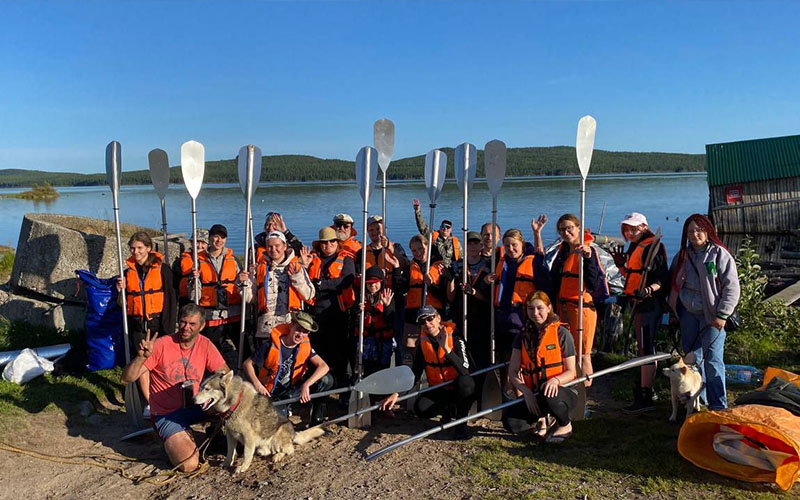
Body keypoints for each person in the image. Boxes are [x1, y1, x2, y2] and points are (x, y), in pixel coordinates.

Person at [121, 303, 228, 472]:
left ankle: (212, 433)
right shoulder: (162, 345)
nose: (186, 328)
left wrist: (224, 398)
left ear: (202, 326)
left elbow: (225, 373)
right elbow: (126, 378)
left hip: (196, 405)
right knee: (189, 464)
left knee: (232, 407)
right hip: (167, 414)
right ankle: (176, 440)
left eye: (192, 324)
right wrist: (140, 358)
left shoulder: (205, 344)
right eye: (183, 322)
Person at [668, 214, 740, 410]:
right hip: (687, 315)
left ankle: (718, 405)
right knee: (692, 360)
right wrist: (674, 311)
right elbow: (673, 283)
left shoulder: (719, 254)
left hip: (713, 317)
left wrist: (723, 314)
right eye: (690, 231)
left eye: (699, 230)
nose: (695, 234)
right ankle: (699, 401)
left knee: (714, 360)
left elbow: (732, 288)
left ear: (708, 232)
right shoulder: (682, 256)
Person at [378, 306, 475, 440]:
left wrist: (446, 349)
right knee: (421, 408)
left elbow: (465, 369)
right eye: (423, 322)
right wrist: (397, 394)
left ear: (438, 318)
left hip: (458, 386)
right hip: (440, 389)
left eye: (430, 318)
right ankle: (447, 410)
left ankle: (461, 423)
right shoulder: (423, 342)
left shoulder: (455, 336)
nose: (427, 324)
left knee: (467, 383)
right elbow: (415, 374)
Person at [609, 212, 670, 413]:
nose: (630, 231)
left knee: (646, 348)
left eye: (634, 228)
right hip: (638, 302)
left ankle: (646, 396)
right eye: (627, 228)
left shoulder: (654, 247)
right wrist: (619, 264)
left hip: (649, 304)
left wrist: (648, 290)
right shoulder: (636, 246)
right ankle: (643, 391)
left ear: (644, 227)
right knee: (643, 348)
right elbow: (634, 276)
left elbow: (662, 279)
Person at [543, 214, 609, 386]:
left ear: (578, 228)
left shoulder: (588, 251)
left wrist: (588, 259)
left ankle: (585, 394)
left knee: (583, 354)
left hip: (582, 308)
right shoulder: (562, 252)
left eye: (569, 228)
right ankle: (572, 389)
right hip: (563, 307)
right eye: (562, 229)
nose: (566, 232)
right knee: (567, 352)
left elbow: (594, 283)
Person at [502, 292, 577, 443]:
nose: (535, 313)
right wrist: (526, 392)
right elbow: (513, 372)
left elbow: (571, 372)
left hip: (562, 392)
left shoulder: (561, 333)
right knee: (511, 422)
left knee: (549, 395)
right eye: (530, 309)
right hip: (535, 394)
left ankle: (565, 425)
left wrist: (555, 380)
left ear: (549, 308)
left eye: (539, 308)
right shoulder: (522, 336)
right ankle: (542, 420)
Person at [242, 311, 333, 426]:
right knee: (277, 422)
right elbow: (247, 364)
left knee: (326, 381)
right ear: (291, 326)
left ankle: (316, 419)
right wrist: (258, 385)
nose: (301, 335)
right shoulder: (270, 345)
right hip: (271, 393)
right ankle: (284, 410)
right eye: (298, 329)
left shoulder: (304, 346)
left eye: (305, 332)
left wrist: (307, 385)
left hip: (293, 389)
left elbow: (324, 366)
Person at [485, 229, 549, 365]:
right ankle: (506, 384)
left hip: (522, 317)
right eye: (507, 246)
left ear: (522, 244)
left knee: (524, 355)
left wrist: (537, 233)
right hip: (503, 317)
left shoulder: (533, 262)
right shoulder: (501, 262)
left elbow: (544, 281)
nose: (511, 249)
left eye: (514, 245)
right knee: (504, 357)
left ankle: (523, 382)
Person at [241, 231, 315, 345]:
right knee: (267, 360)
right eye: (270, 246)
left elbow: (309, 294)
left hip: (291, 326)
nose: (273, 249)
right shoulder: (259, 269)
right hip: (266, 328)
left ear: (285, 246)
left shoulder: (296, 268)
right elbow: (251, 298)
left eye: (277, 246)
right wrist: (243, 284)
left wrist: (296, 277)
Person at [306, 227, 356, 389]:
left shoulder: (346, 260)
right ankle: (319, 385)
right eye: (324, 242)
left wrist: (321, 285)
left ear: (337, 242)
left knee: (339, 351)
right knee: (317, 351)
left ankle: (342, 387)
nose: (328, 245)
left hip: (338, 313)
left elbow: (346, 281)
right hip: (316, 313)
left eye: (332, 241)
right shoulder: (311, 259)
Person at [189, 224, 242, 366]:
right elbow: (193, 294)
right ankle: (215, 378)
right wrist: (193, 281)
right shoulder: (198, 261)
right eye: (216, 237)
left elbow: (241, 285)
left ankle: (244, 375)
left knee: (242, 349)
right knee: (213, 351)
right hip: (211, 314)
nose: (219, 240)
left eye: (222, 237)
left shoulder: (234, 260)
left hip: (233, 313)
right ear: (210, 238)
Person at [117, 231, 177, 351]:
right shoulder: (127, 273)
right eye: (132, 248)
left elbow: (171, 299)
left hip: (157, 323)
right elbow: (121, 304)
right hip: (137, 325)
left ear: (148, 248)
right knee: (140, 358)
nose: (136, 252)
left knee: (159, 357)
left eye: (140, 248)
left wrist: (168, 328)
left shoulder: (163, 270)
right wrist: (120, 291)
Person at [445, 231, 493, 369]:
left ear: (481, 245)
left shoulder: (489, 266)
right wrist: (450, 280)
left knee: (481, 355)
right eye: (469, 243)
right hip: (461, 315)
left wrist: (473, 292)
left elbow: (489, 300)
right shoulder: (456, 266)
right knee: (463, 353)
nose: (472, 246)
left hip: (481, 318)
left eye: (476, 243)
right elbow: (451, 297)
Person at [397, 234, 446, 365]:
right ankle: (415, 370)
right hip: (413, 311)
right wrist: (397, 271)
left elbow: (445, 295)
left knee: (432, 344)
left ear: (427, 247)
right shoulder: (409, 267)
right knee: (410, 344)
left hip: (432, 312)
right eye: (414, 250)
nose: (418, 253)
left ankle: (433, 366)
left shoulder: (438, 266)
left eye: (420, 248)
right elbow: (402, 288)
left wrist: (432, 285)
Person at [357, 266, 396, 376]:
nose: (373, 286)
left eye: (376, 282)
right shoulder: (361, 298)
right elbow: (354, 321)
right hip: (367, 340)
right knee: (369, 369)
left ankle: (383, 392)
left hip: (383, 340)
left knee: (383, 368)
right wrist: (358, 311)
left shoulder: (387, 297)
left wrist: (387, 306)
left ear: (381, 282)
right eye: (369, 283)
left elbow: (391, 320)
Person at [412, 199, 461, 267]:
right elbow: (422, 227)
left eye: (448, 227)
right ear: (440, 227)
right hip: (434, 268)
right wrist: (417, 211)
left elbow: (461, 257)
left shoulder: (455, 242)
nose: (445, 229)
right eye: (443, 226)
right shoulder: (433, 236)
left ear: (451, 230)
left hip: (450, 270)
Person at [174, 229, 208, 308]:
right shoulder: (180, 262)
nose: (199, 246)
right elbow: (175, 284)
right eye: (197, 242)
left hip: (206, 303)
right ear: (191, 243)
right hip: (186, 303)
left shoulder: (212, 262)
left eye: (203, 243)